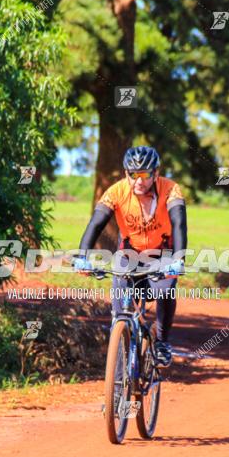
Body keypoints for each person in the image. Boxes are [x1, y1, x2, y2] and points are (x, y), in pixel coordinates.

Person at [73, 146, 186, 368]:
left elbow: (179, 224)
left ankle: (162, 342)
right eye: (133, 174)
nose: (138, 181)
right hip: (129, 253)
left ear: (156, 173)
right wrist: (81, 256)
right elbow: (96, 223)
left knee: (165, 291)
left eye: (144, 174)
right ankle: (116, 386)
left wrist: (178, 260)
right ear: (126, 173)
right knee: (119, 316)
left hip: (162, 253)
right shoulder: (116, 192)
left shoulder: (171, 190)